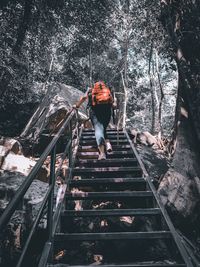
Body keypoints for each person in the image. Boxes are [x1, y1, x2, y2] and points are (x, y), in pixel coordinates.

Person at [73, 81, 117, 160]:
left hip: (95, 112)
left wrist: (77, 105)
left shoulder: (91, 90)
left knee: (98, 130)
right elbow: (113, 104)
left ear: (94, 85)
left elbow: (83, 98)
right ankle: (108, 144)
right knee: (103, 128)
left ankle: (102, 153)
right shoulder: (107, 90)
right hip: (107, 111)